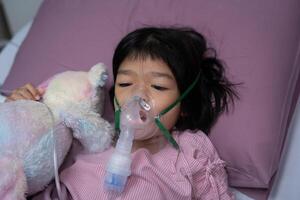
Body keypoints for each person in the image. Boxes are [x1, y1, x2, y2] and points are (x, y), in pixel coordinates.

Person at [7, 27, 238, 199]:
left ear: (185, 104)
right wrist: (17, 112)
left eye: (157, 86)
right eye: (125, 84)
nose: (137, 96)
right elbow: (25, 166)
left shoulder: (190, 152)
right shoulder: (90, 136)